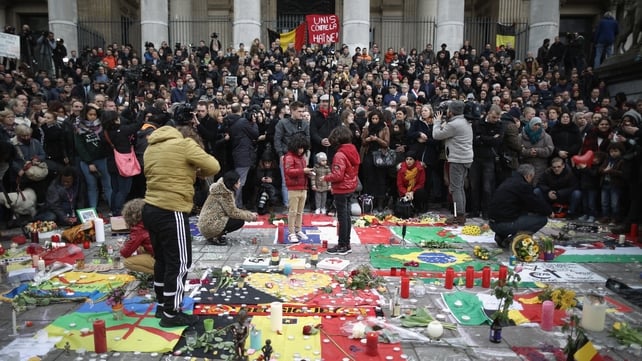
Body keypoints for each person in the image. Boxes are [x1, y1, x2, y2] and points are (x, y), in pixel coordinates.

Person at [142, 106, 220, 328]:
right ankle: (172, 312)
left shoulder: (151, 148)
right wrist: (197, 170)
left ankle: (161, 304)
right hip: (171, 209)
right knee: (180, 262)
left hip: (150, 207)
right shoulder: (185, 145)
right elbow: (214, 166)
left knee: (163, 260)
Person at [488, 164, 553, 248]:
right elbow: (535, 203)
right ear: (528, 176)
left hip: (493, 223)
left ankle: (501, 236)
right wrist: (549, 211)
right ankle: (514, 240)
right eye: (532, 177)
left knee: (521, 213)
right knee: (542, 220)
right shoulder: (522, 185)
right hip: (504, 224)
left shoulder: (508, 181)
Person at [432, 100, 473, 225]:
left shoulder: (454, 124)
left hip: (457, 159)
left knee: (455, 188)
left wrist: (437, 122)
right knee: (459, 187)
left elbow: (436, 135)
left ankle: (458, 216)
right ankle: (460, 214)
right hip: (465, 158)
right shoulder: (464, 121)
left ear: (452, 111)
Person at [324, 126, 361, 255]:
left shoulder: (340, 154)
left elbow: (337, 176)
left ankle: (342, 245)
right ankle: (346, 243)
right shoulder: (352, 149)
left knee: (343, 217)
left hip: (341, 188)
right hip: (350, 186)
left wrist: (325, 177)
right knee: (346, 216)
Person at [197, 171, 258, 245]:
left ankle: (215, 235)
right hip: (210, 225)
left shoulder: (222, 189)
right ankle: (214, 236)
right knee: (239, 221)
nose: (240, 183)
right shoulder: (224, 194)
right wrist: (250, 216)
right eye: (238, 182)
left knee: (237, 218)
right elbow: (233, 213)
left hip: (207, 223)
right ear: (232, 184)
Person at [274, 101, 310, 207]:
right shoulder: (282, 123)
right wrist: (280, 154)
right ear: (292, 111)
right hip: (287, 154)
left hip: (301, 155)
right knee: (286, 180)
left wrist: (306, 154)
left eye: (303, 111)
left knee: (301, 179)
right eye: (299, 111)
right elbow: (277, 139)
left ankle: (299, 205)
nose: (302, 114)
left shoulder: (305, 123)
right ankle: (287, 205)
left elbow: (308, 139)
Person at [283, 134, 314, 243]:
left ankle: (298, 229)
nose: (301, 150)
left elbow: (302, 171)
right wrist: (303, 171)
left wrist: (308, 173)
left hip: (303, 187)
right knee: (293, 211)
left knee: (300, 211)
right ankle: (291, 232)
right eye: (299, 148)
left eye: (303, 148)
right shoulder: (289, 157)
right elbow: (288, 172)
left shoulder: (302, 158)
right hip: (293, 188)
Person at [119, 198, 154, 275]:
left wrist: (122, 246)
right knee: (140, 248)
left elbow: (125, 253)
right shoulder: (152, 220)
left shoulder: (138, 228)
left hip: (162, 259)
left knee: (127, 262)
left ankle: (160, 273)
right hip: (171, 254)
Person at [518, 117, 554, 185]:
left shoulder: (546, 137)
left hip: (541, 166)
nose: (537, 127)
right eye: (535, 124)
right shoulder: (520, 137)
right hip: (525, 165)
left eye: (539, 125)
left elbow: (550, 149)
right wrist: (528, 152)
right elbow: (518, 149)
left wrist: (537, 151)